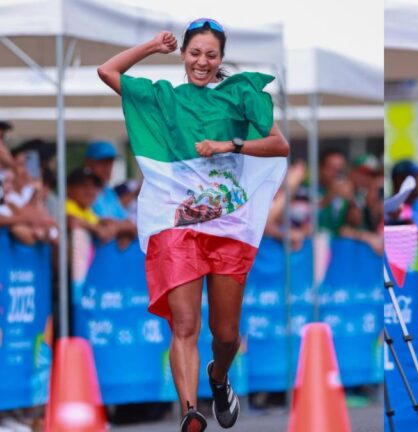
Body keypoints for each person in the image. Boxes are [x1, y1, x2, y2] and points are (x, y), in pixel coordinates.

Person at [97, 18, 289, 432]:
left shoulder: (241, 93)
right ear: (183, 54)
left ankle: (218, 378)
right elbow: (108, 72)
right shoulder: (162, 97)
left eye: (211, 54)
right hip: (176, 222)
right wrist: (151, 46)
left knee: (226, 334)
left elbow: (279, 144)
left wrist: (230, 144)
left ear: (221, 58)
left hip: (229, 226)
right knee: (184, 324)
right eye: (194, 52)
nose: (202, 61)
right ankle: (189, 412)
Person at [84, 140, 138, 247]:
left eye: (110, 162)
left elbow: (131, 225)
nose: (107, 167)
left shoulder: (108, 191)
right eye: (102, 162)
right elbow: (102, 223)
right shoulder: (83, 191)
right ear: (88, 162)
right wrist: (121, 228)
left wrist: (120, 229)